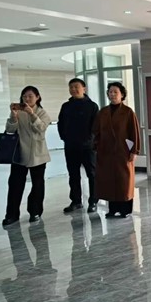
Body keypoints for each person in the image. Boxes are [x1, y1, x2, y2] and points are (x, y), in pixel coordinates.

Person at [2, 86, 51, 226]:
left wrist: (32, 114)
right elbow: (9, 129)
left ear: (37, 97)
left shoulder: (42, 113)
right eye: (24, 96)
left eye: (30, 96)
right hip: (19, 153)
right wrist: (13, 116)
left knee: (38, 185)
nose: (27, 99)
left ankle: (35, 211)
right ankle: (12, 215)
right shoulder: (19, 111)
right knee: (15, 185)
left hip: (38, 153)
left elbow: (41, 128)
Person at [93, 82, 140, 218]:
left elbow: (134, 133)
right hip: (106, 152)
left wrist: (134, 151)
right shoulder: (103, 112)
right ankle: (112, 209)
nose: (112, 94)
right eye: (110, 92)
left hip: (123, 151)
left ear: (122, 94)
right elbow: (95, 131)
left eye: (115, 92)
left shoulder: (128, 112)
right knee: (109, 180)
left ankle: (126, 209)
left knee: (124, 180)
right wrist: (97, 146)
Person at [58, 78, 99, 214]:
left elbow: (96, 126)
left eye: (76, 87)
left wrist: (90, 141)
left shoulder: (92, 106)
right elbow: (61, 123)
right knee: (73, 174)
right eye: (71, 87)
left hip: (88, 147)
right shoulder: (66, 106)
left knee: (92, 174)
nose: (73, 89)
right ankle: (76, 201)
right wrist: (65, 137)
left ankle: (93, 201)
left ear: (84, 88)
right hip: (71, 146)